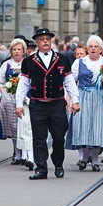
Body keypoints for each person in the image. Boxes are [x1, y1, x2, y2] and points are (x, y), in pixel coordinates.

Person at [16, 28, 80, 180]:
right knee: (39, 137)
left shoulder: (62, 59)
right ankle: (41, 168)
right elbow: (23, 84)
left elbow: (69, 81)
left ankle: (58, 164)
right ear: (37, 42)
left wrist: (75, 100)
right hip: (38, 104)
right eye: (41, 39)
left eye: (47, 38)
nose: (45, 41)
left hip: (57, 104)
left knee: (59, 136)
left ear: (50, 41)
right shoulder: (29, 61)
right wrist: (19, 104)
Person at [70, 35, 103, 172]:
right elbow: (71, 81)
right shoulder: (79, 62)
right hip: (83, 95)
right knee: (82, 126)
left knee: (98, 127)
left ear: (101, 49)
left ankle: (95, 160)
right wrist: (72, 99)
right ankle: (83, 158)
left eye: (96, 46)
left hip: (100, 97)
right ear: (87, 48)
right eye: (91, 46)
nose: (93, 49)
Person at [0, 38, 34, 170]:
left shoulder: (28, 63)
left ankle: (25, 154)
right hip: (10, 99)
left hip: (24, 99)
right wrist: (5, 91)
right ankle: (17, 154)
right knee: (13, 127)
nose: (17, 52)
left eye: (19, 49)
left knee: (24, 127)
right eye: (14, 49)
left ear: (24, 51)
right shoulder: (6, 65)